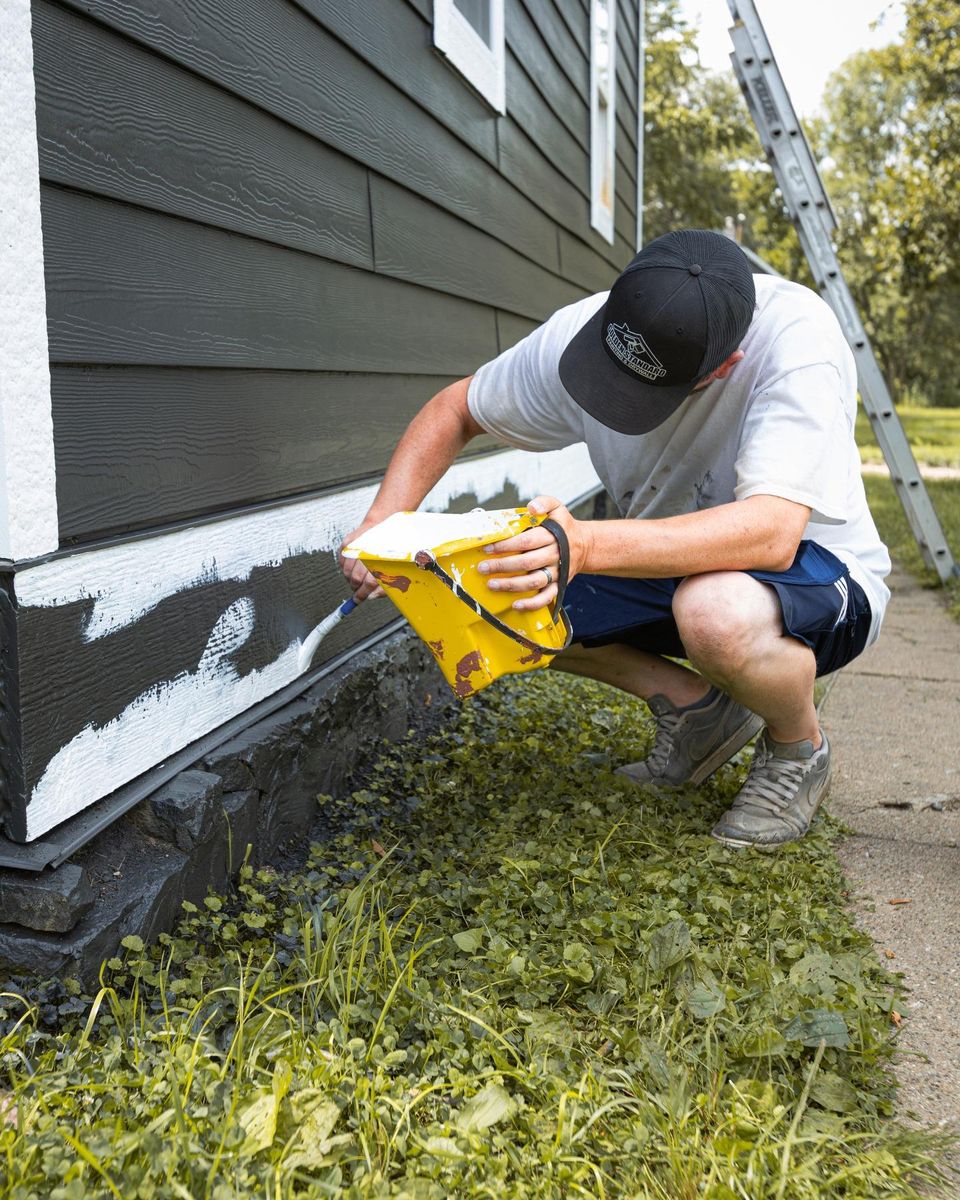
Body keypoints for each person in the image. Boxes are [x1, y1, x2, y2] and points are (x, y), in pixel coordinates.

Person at [341, 229, 891, 848]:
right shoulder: (586, 329)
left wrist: (589, 547)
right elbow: (455, 410)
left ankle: (797, 749)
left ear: (724, 368)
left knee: (714, 611)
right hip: (669, 561)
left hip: (817, 572)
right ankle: (697, 712)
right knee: (497, 586)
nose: (612, 403)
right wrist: (383, 521)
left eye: (642, 397)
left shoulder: (798, 342)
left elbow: (771, 533)